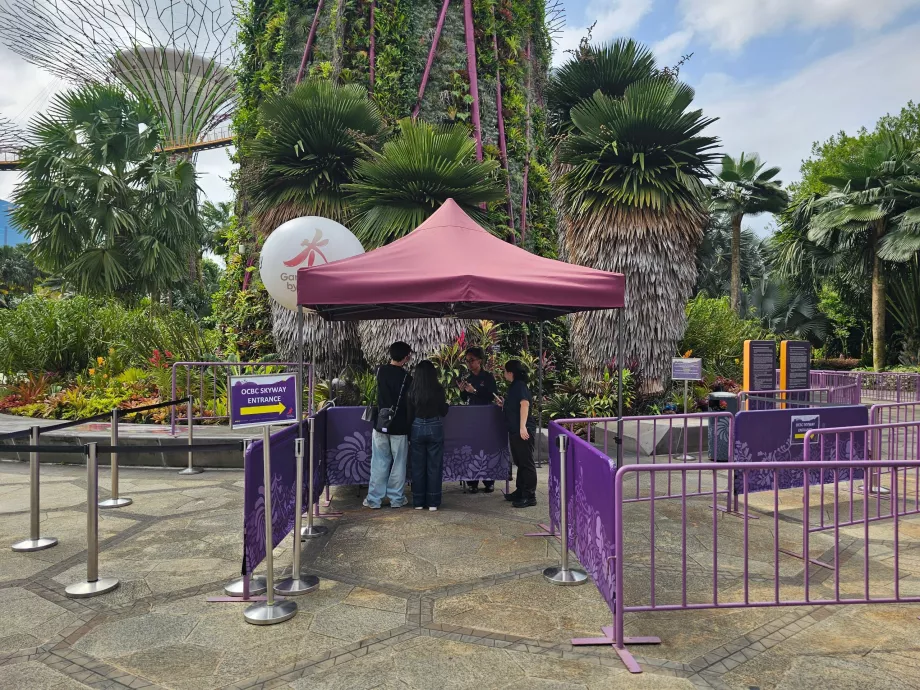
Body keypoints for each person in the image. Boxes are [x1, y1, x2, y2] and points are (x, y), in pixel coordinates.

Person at [365, 341, 412, 509]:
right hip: (400, 425)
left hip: (381, 423)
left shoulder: (379, 371)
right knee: (398, 463)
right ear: (406, 357)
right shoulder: (407, 378)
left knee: (379, 461)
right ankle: (396, 499)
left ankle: (374, 499)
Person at [407, 360, 449, 510]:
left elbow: (409, 414)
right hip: (434, 426)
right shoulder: (438, 389)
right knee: (434, 466)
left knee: (417, 467)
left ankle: (418, 502)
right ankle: (433, 502)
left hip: (417, 427)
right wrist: (447, 404)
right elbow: (443, 411)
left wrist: (409, 434)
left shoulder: (412, 390)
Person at [459, 347, 498, 493]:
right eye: (467, 360)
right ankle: (472, 482)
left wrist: (474, 391)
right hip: (471, 417)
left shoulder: (488, 377)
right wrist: (462, 391)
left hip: (486, 417)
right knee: (472, 449)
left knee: (486, 449)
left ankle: (489, 482)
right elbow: (464, 398)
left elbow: (492, 395)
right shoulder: (468, 378)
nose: (469, 363)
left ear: (480, 361)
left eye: (472, 360)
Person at [501, 359, 537, 508]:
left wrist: (523, 427)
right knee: (520, 461)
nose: (504, 374)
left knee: (526, 462)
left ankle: (529, 495)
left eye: (504, 371)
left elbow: (524, 404)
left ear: (511, 373)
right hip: (515, 429)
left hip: (522, 430)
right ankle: (521, 490)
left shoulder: (520, 386)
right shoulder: (514, 386)